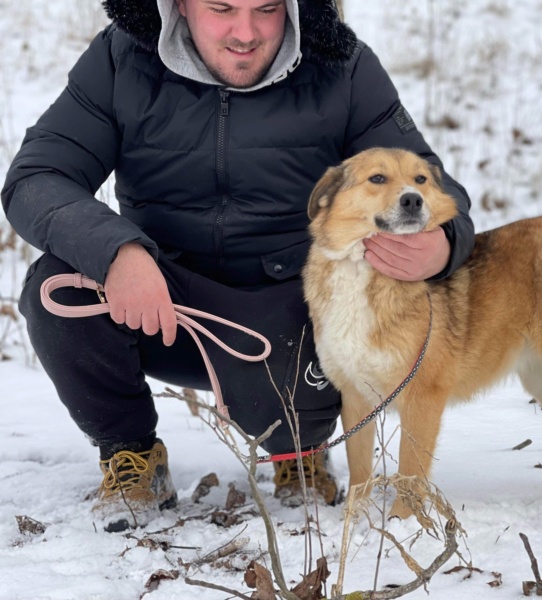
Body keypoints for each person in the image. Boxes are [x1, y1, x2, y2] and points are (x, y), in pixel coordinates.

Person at [1, 0, 474, 532]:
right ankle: (131, 455)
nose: (245, 33)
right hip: (161, 303)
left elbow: (433, 184)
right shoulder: (122, 57)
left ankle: (300, 449)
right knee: (59, 289)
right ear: (178, 4)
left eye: (267, 9)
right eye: (222, 8)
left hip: (294, 320)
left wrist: (443, 243)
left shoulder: (342, 65)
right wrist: (118, 251)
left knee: (329, 338)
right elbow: (37, 176)